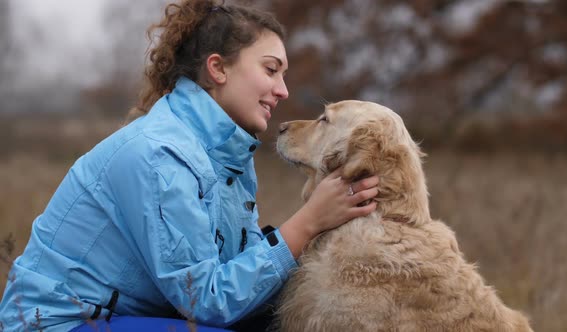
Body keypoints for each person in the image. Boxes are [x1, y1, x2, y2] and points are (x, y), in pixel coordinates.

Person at [0, 0, 379, 331]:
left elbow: (236, 278)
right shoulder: (160, 155)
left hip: (128, 317)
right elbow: (208, 303)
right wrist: (308, 222)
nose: (283, 90)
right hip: (58, 323)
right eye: (270, 70)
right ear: (218, 69)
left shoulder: (226, 157)